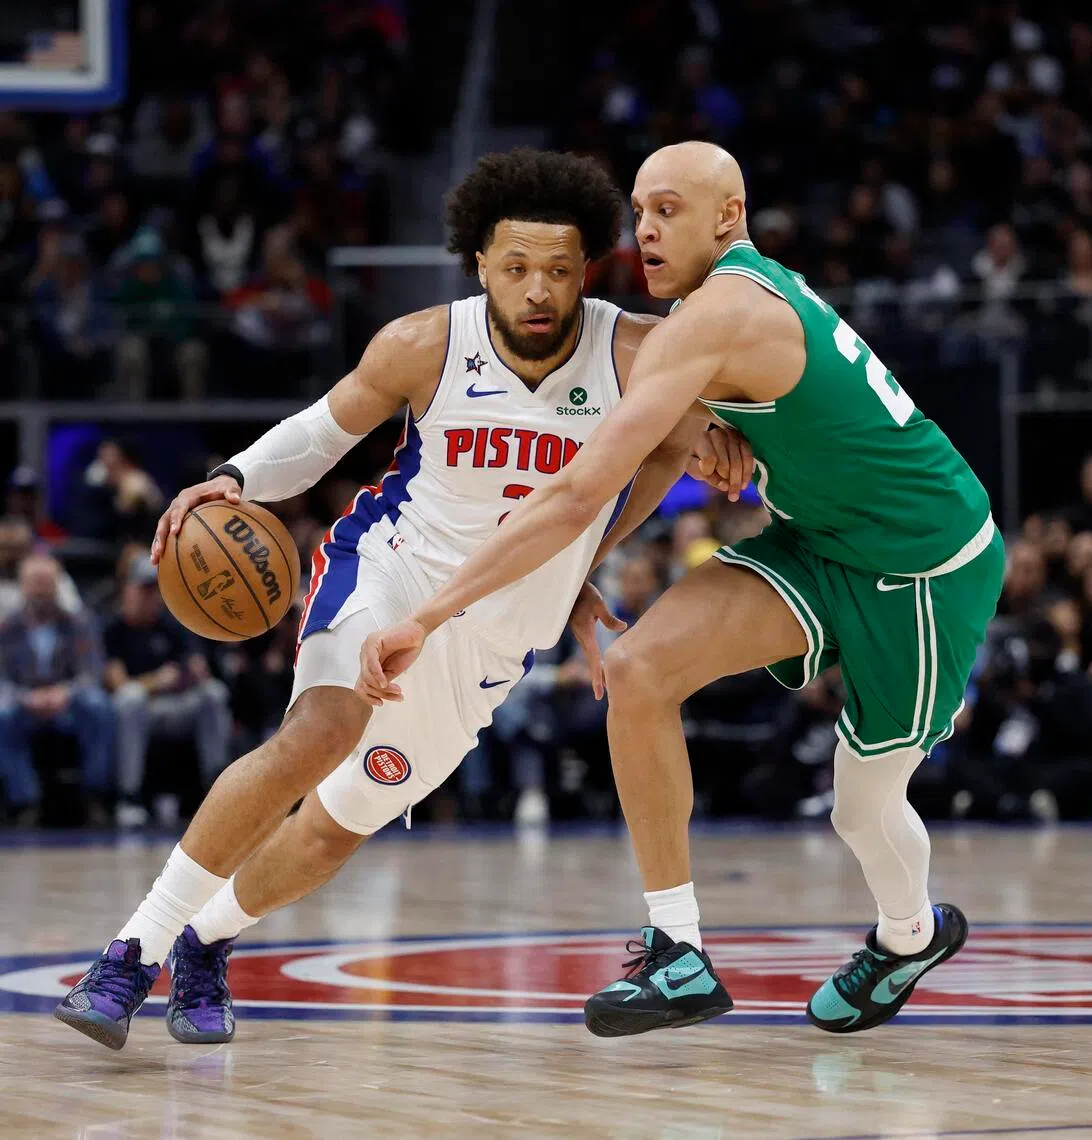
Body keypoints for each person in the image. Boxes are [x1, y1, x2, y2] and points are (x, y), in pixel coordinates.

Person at [53, 148, 751, 1051]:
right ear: (478, 264)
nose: (537, 290)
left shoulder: (639, 352)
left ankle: (204, 940)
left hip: (501, 630)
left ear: (589, 269)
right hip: (391, 569)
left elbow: (669, 455)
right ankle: (128, 957)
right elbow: (322, 432)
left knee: (333, 832)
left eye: (559, 270)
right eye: (515, 268)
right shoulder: (424, 343)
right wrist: (231, 479)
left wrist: (701, 458)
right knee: (319, 733)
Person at [358, 141, 1005, 1038]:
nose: (645, 230)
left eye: (668, 210)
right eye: (640, 210)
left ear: (728, 218)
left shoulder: (720, 315)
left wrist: (428, 613)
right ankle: (679, 951)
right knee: (638, 669)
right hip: (820, 540)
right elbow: (664, 452)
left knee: (864, 808)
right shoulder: (705, 314)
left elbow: (582, 489)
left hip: (926, 562)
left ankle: (910, 935)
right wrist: (602, 548)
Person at [104, 555, 232, 828]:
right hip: (140, 711)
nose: (149, 597)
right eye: (143, 589)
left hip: (177, 706)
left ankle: (219, 791)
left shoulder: (173, 625)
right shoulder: (114, 628)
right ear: (127, 590)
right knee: (130, 699)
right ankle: (130, 797)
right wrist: (155, 681)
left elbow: (197, 668)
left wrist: (194, 674)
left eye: (154, 590)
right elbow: (118, 684)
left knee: (214, 693)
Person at [0, 555, 114, 826]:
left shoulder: (79, 622)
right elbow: (2, 679)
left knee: (98, 705)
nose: (40, 590)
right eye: (34, 583)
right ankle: (25, 802)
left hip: (69, 706)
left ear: (57, 585)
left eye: (46, 583)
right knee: (3, 715)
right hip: (24, 707)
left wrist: (64, 693)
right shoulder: (7, 627)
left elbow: (92, 671)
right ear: (22, 585)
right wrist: (26, 697)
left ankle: (94, 796)